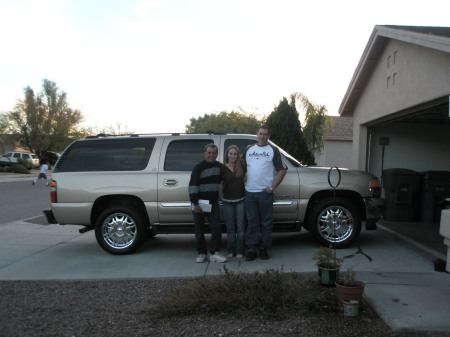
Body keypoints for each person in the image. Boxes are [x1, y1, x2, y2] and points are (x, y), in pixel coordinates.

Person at [242, 125, 287, 261]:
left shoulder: (273, 150)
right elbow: (241, 168)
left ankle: (264, 248)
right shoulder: (249, 150)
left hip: (265, 193)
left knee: (266, 222)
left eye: (265, 134)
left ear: (268, 136)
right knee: (252, 222)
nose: (262, 136)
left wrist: (272, 187)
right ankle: (251, 248)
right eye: (260, 133)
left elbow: (282, 170)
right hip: (249, 192)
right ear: (257, 134)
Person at [189, 143, 228, 263]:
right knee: (199, 229)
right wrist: (195, 204)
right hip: (199, 203)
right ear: (204, 153)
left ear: (216, 154)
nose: (211, 155)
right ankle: (201, 253)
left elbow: (228, 176)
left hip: (213, 203)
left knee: (216, 227)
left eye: (214, 153)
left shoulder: (219, 167)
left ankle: (214, 253)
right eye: (209, 152)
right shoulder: (198, 168)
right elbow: (193, 186)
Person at [222, 145, 246, 259]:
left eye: (235, 154)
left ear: (238, 155)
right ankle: (231, 250)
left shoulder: (242, 166)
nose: (233, 156)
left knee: (240, 227)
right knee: (230, 228)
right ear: (227, 154)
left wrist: (250, 147)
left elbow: (249, 156)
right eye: (231, 153)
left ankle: (240, 251)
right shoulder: (222, 168)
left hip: (240, 201)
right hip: (227, 202)